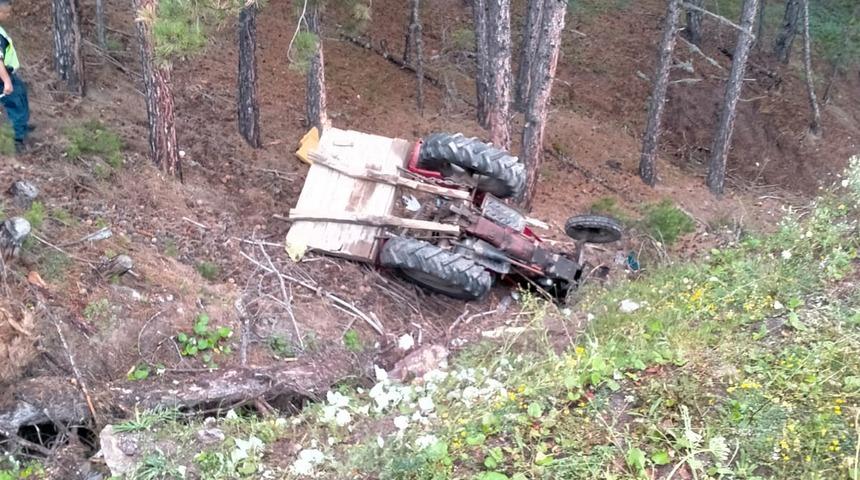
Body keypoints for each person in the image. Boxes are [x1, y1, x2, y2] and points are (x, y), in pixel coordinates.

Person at [0, 0, 30, 154]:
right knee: (15, 104)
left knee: (21, 93)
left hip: (9, 73)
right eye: (6, 12)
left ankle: (22, 126)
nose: (9, 15)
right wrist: (6, 81)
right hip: (3, 76)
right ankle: (16, 140)